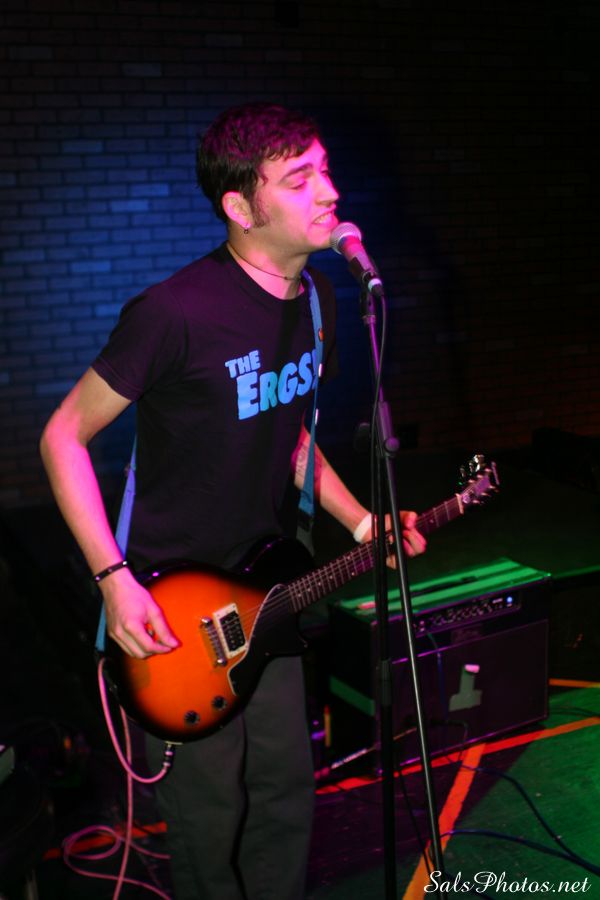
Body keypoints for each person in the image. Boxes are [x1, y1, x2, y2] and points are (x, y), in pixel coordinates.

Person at [40, 102, 426, 900]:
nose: (330, 191)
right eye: (301, 178)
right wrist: (113, 580)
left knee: (285, 796)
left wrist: (362, 521)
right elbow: (62, 437)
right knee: (208, 822)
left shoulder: (316, 300)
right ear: (242, 209)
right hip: (172, 612)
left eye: (326, 170)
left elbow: (291, 438)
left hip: (271, 591)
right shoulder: (174, 313)